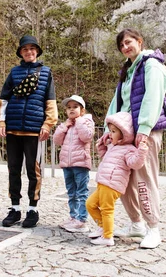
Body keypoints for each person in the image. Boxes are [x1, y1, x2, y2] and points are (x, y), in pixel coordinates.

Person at [98, 28, 166, 249]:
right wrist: (107, 130)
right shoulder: (128, 71)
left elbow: (153, 97)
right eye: (121, 45)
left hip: (146, 130)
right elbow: (117, 103)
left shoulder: (152, 65)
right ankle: (136, 224)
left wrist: (145, 128)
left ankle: (153, 228)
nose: (125, 47)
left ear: (140, 41)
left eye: (129, 42)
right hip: (126, 131)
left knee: (144, 179)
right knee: (123, 179)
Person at [0, 35, 58, 228]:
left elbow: (50, 102)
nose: (29, 52)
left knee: (34, 171)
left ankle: (33, 209)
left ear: (37, 51)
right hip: (13, 128)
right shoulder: (14, 73)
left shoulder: (46, 73)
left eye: (32, 49)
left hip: (34, 130)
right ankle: (14, 208)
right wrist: (1, 121)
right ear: (20, 53)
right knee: (13, 170)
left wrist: (48, 124)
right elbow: (3, 99)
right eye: (25, 49)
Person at [86, 112, 148, 246]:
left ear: (124, 134)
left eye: (114, 131)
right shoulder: (114, 147)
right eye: (110, 131)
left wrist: (142, 151)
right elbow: (105, 158)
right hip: (103, 182)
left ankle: (107, 237)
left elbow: (135, 163)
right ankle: (103, 227)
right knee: (90, 204)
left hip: (112, 184)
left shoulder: (129, 149)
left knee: (106, 209)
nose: (110, 134)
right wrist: (101, 146)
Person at [53, 95, 94, 233]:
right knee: (71, 192)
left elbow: (87, 137)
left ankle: (82, 220)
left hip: (80, 163)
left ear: (82, 110)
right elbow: (57, 140)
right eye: (69, 107)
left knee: (81, 192)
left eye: (75, 107)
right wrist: (64, 127)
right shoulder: (67, 125)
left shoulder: (86, 122)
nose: (71, 110)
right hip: (67, 163)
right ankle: (73, 217)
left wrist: (79, 122)